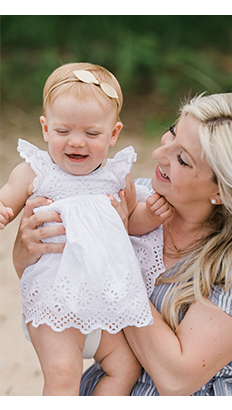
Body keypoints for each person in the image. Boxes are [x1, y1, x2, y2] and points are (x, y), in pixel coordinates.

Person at [13, 92, 232, 395]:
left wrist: (114, 252)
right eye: (172, 133)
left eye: (182, 159)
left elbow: (176, 379)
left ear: (224, 190)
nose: (159, 154)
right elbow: (50, 278)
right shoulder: (135, 201)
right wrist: (26, 247)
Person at [1, 62, 155, 395]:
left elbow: (132, 221)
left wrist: (152, 215)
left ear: (113, 134)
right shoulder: (36, 171)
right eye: (63, 131)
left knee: (125, 369)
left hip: (105, 302)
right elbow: (8, 200)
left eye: (91, 133)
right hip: (54, 301)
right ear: (45, 129)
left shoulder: (116, 176)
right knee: (62, 374)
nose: (76, 142)